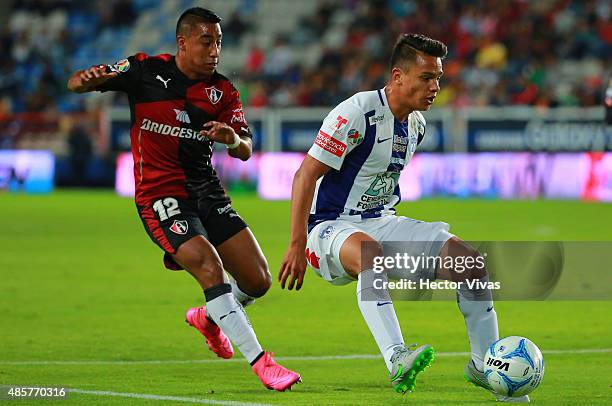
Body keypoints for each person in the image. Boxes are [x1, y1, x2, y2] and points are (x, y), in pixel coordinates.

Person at [279, 33, 528, 402]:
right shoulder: (358, 112)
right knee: (370, 253)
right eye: (427, 78)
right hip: (330, 227)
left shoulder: (416, 125)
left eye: (439, 78)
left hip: (381, 220)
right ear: (398, 76)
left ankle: (485, 367)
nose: (435, 87)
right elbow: (305, 175)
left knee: (471, 264)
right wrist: (297, 244)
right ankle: (397, 357)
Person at [67, 7, 300, 391]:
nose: (215, 51)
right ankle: (264, 364)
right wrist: (86, 80)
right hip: (160, 194)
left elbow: (245, 148)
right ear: (183, 42)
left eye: (219, 43)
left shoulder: (222, 91)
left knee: (258, 281)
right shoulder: (143, 70)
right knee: (209, 267)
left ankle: (209, 318)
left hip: (206, 190)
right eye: (206, 41)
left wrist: (232, 139)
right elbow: (77, 83)